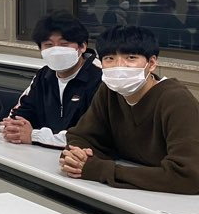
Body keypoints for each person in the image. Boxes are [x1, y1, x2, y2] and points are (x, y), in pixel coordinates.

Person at [61, 25, 199, 193]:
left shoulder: (176, 100)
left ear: (151, 63)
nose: (119, 66)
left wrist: (100, 170)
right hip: (134, 194)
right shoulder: (109, 91)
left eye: (131, 57)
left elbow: (188, 175)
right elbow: (82, 136)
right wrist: (77, 157)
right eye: (109, 58)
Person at [1, 12, 101, 149]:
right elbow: (18, 115)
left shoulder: (100, 77)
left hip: (82, 156)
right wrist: (14, 129)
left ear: (82, 46)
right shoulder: (43, 75)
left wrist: (35, 136)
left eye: (64, 44)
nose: (56, 51)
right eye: (48, 45)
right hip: (41, 152)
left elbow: (90, 135)